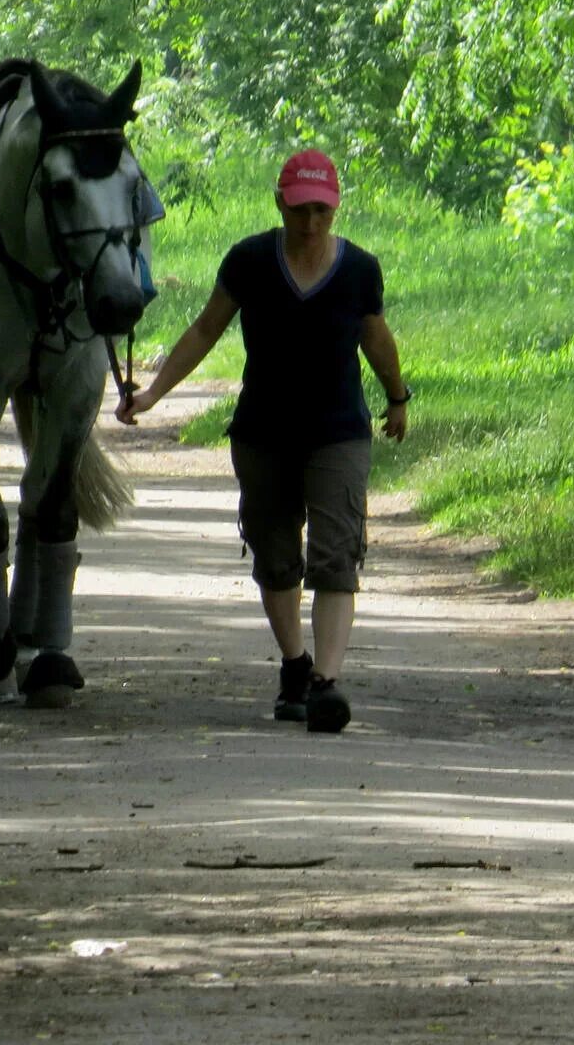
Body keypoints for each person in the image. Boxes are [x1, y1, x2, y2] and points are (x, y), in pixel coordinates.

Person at [115, 148, 408, 733]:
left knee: (335, 554)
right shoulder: (249, 260)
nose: (311, 222)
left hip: (339, 434)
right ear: (280, 202)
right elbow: (204, 329)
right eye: (300, 209)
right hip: (263, 434)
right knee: (277, 558)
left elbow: (376, 338)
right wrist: (151, 396)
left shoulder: (358, 270)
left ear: (336, 205)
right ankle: (294, 665)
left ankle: (326, 683)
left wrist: (397, 397)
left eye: (322, 209)